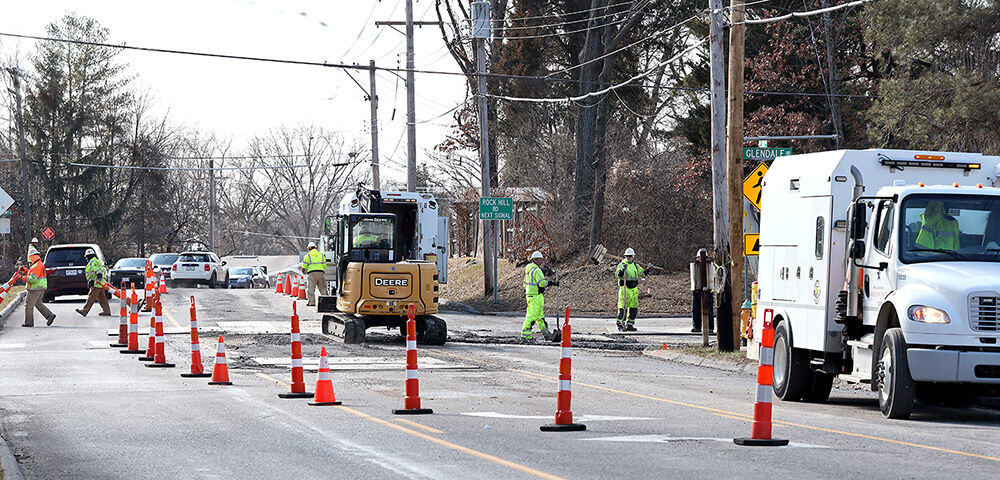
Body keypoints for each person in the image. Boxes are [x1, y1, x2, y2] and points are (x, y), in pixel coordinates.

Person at [522, 250, 557, 342]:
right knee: (532, 316)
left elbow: (525, 284)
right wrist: (552, 283)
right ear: (536, 260)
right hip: (536, 296)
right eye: (540, 259)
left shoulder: (529, 270)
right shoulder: (537, 270)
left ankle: (546, 334)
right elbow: (541, 283)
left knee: (540, 317)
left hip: (530, 295)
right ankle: (525, 335)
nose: (542, 261)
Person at [23, 246, 56, 327]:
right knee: (38, 303)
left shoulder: (36, 265)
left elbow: (33, 278)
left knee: (28, 305)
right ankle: (49, 315)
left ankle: (29, 322)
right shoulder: (38, 264)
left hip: (35, 289)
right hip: (40, 288)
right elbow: (34, 274)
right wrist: (25, 271)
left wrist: (23, 278)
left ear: (31, 257)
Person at [615, 247, 645, 332]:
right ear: (625, 256)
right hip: (625, 289)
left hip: (634, 290)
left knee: (633, 308)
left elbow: (642, 274)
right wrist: (622, 270)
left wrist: (647, 270)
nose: (629, 257)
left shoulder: (635, 265)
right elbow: (617, 275)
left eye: (630, 256)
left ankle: (630, 324)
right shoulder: (622, 264)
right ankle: (620, 324)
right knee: (623, 308)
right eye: (627, 256)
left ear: (633, 256)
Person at [76, 248, 111, 317]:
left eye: (86, 257)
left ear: (89, 256)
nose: (86, 258)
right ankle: (106, 311)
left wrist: (97, 278)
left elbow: (98, 271)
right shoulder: (94, 261)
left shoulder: (93, 262)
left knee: (91, 297)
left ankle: (85, 310)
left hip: (96, 283)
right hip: (98, 283)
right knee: (102, 298)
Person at [301, 241, 327, 307]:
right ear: (315, 247)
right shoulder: (321, 255)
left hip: (312, 274)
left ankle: (311, 303)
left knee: (311, 289)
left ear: (309, 248)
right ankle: (326, 303)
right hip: (321, 273)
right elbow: (325, 266)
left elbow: (303, 266)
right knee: (323, 288)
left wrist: (303, 271)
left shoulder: (307, 256)